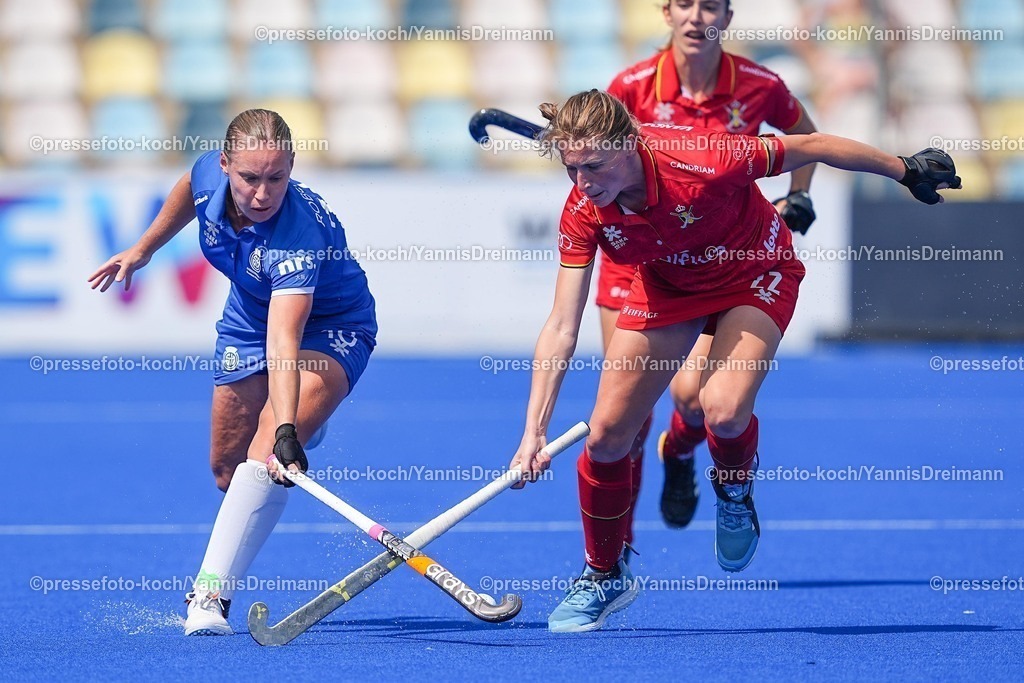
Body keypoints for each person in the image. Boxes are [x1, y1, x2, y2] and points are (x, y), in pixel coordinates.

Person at [510, 90, 959, 632]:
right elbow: (561, 324)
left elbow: (811, 143)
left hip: (755, 272)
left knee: (719, 407)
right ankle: (605, 574)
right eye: (571, 167)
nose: (582, 183)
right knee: (606, 437)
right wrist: (532, 433)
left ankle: (734, 488)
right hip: (669, 288)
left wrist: (902, 168)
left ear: (629, 145)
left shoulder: (705, 157)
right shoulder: (584, 208)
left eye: (595, 166)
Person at [88, 109, 377, 636]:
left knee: (264, 452)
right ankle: (305, 413)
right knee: (226, 470)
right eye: (249, 178)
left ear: (292, 167)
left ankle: (210, 596)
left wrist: (284, 429)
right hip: (248, 316)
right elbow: (185, 189)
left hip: (331, 327)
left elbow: (286, 341)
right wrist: (144, 249)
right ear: (224, 166)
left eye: (276, 178)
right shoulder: (207, 174)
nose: (263, 193)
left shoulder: (297, 239)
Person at [603, 0, 820, 540]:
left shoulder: (758, 84)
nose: (698, 17)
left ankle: (678, 450)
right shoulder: (631, 86)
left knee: (696, 399)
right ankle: (619, 549)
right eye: (686, 5)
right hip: (639, 261)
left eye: (711, 6)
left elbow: (807, 140)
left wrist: (799, 197)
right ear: (666, 13)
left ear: (728, 15)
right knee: (628, 416)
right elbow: (595, 158)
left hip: (720, 258)